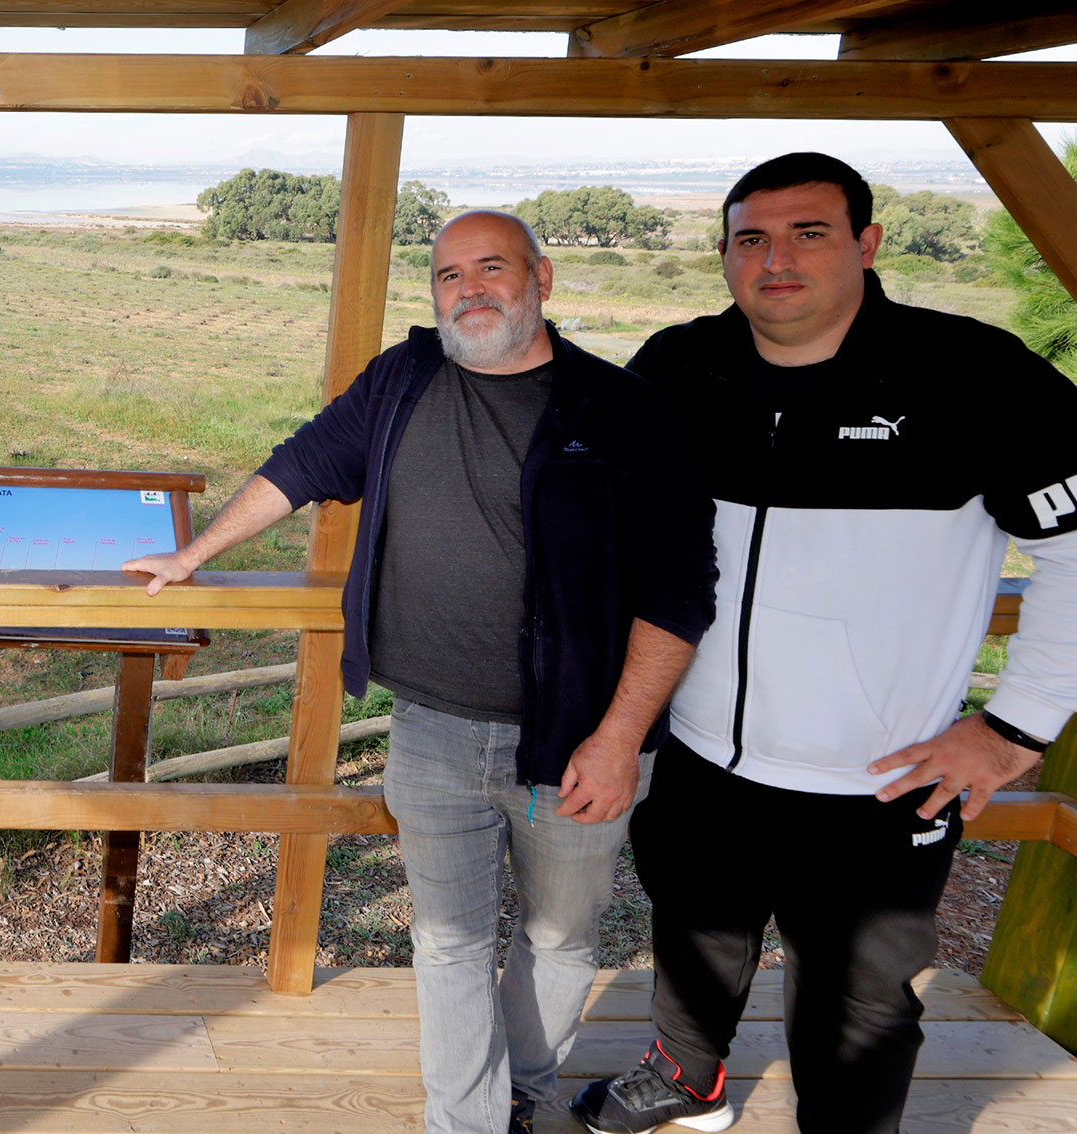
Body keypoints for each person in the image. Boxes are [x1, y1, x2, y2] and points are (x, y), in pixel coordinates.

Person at [124, 210, 717, 1134]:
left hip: (580, 737)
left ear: (543, 279)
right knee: (447, 944)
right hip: (433, 726)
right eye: (449, 275)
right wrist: (196, 553)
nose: (469, 290)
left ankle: (521, 1092)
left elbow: (679, 594)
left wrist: (619, 740)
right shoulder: (402, 381)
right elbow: (304, 463)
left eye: (492, 269)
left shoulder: (625, 411)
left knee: (560, 938)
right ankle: (469, 1124)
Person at [571, 152, 1077, 1134]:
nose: (776, 261)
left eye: (810, 233)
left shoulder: (972, 373)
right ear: (724, 254)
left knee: (862, 1003)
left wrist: (1017, 727)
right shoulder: (681, 366)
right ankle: (688, 1079)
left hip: (879, 779)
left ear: (867, 244)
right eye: (751, 238)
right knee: (690, 937)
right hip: (704, 753)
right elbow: (589, 510)